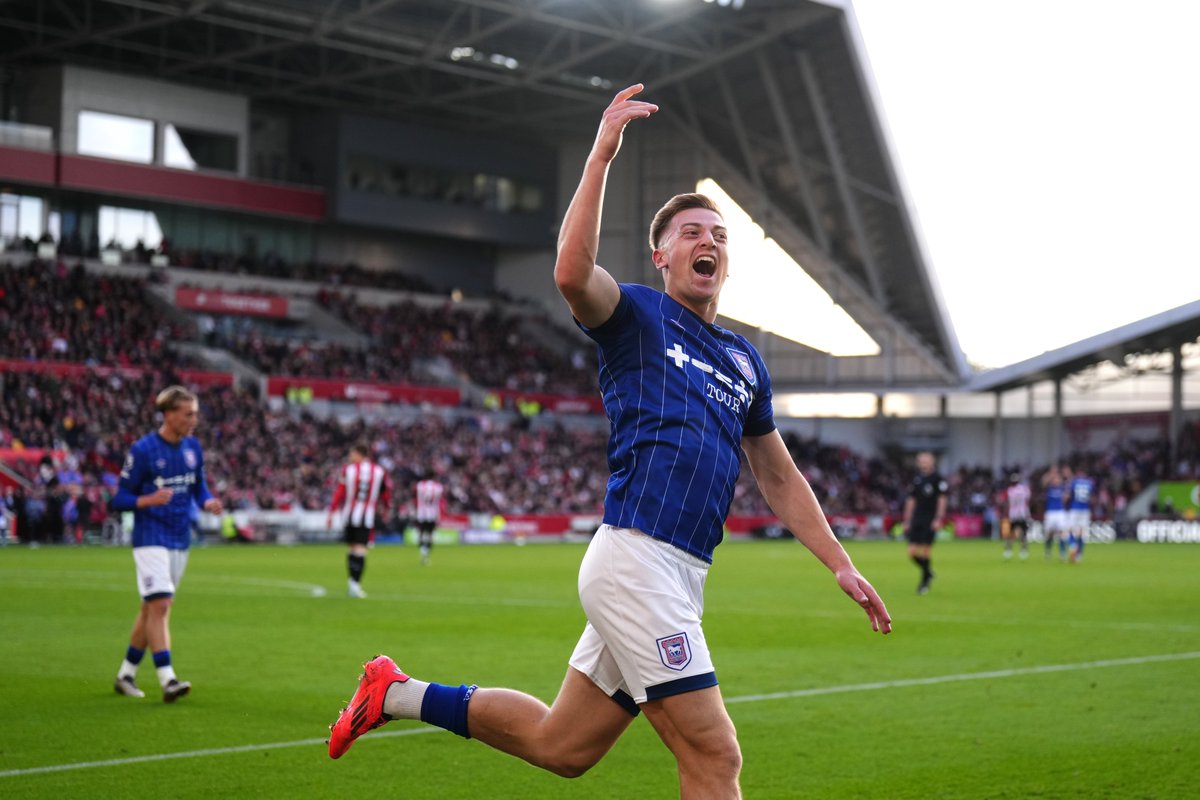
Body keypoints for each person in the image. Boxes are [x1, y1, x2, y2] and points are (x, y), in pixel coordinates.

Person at [326, 84, 892, 797]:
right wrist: (602, 151)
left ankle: (395, 694)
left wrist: (839, 563)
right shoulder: (639, 315)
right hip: (636, 562)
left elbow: (779, 477)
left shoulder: (745, 362)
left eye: (719, 233)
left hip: (682, 576)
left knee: (562, 745)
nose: (708, 240)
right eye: (691, 232)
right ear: (660, 255)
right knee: (715, 757)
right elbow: (569, 272)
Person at [110, 386, 222, 702]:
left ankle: (126, 674)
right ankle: (167, 678)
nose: (194, 420)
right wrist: (148, 499)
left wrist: (208, 501)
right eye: (188, 414)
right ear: (169, 414)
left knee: (152, 609)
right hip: (150, 537)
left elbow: (198, 486)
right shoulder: (144, 450)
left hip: (179, 537)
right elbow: (119, 499)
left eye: (196, 413)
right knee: (161, 605)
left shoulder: (192, 449)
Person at [327, 442, 392, 598]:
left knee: (352, 549)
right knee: (361, 550)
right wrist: (386, 510)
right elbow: (386, 494)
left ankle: (352, 583)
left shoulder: (348, 470)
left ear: (360, 455)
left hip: (350, 515)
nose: (350, 457)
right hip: (367, 516)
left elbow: (339, 492)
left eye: (352, 454)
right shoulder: (379, 471)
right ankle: (355, 583)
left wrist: (331, 512)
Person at [901, 451, 947, 594]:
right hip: (917, 518)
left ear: (932, 462)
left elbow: (942, 499)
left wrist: (938, 518)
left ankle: (924, 583)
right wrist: (907, 519)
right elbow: (911, 500)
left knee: (926, 550)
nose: (923, 463)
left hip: (930, 517)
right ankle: (928, 572)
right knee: (912, 552)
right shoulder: (917, 479)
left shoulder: (938, 479)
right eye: (920, 460)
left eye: (925, 460)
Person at [413, 472, 445, 565]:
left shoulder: (420, 485)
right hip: (433, 513)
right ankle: (426, 554)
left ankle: (423, 552)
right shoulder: (438, 487)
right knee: (430, 535)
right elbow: (439, 500)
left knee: (421, 534)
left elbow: (416, 497)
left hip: (421, 513)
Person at [1064, 466, 1094, 563]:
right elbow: (1091, 497)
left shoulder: (1074, 482)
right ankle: (1079, 555)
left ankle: (1073, 546)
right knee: (1082, 532)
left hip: (1075, 509)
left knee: (1070, 530)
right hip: (1085, 510)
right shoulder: (1090, 483)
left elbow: (1068, 496)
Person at [1002, 472, 1032, 560]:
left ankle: (1009, 550)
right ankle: (1023, 551)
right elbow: (1028, 499)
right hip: (1022, 513)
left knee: (1012, 533)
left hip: (1014, 513)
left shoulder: (1010, 490)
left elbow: (1007, 501)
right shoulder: (1024, 489)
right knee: (1022, 533)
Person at [1042, 465, 1068, 560]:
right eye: (1054, 479)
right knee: (1049, 533)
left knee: (1062, 533)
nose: (1056, 480)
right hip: (1050, 512)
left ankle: (1062, 553)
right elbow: (1043, 481)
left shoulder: (1062, 487)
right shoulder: (1048, 487)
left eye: (1057, 478)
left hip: (1060, 512)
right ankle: (1048, 552)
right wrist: (1051, 473)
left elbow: (1066, 498)